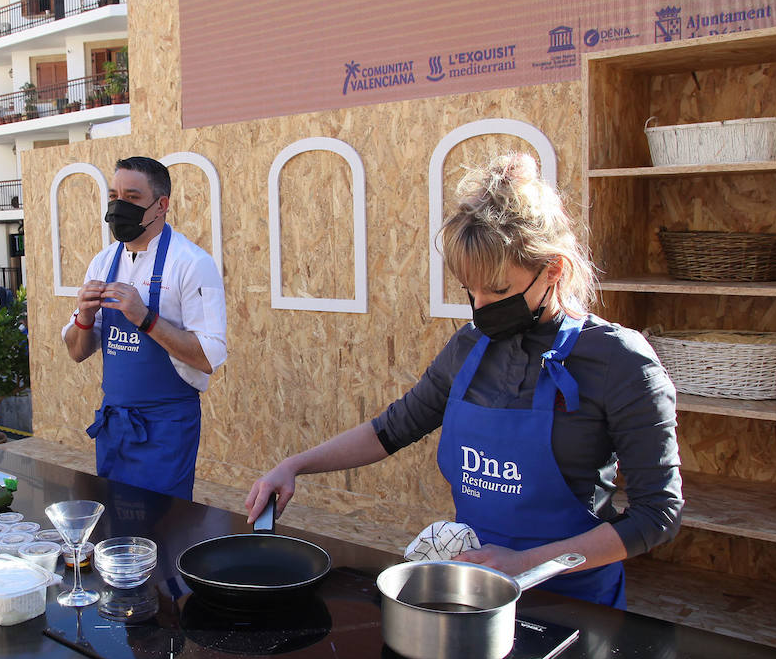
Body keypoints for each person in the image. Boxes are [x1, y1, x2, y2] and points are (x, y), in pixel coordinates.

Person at [247, 153, 683, 609]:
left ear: (552, 269)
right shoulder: (469, 348)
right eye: (470, 289)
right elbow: (391, 429)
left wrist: (526, 563)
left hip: (574, 603)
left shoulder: (621, 361)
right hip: (474, 597)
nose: (480, 304)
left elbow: (658, 515)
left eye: (497, 290)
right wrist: (295, 465)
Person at [63, 156, 228, 501]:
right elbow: (78, 352)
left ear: (161, 205)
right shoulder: (102, 262)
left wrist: (146, 318)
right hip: (115, 426)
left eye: (133, 198)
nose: (119, 206)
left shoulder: (193, 264)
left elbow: (208, 358)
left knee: (163, 530)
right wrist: (84, 316)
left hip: (166, 429)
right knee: (116, 529)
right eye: (113, 196)